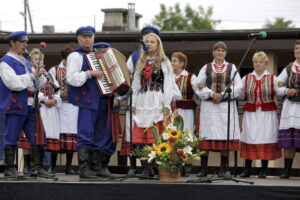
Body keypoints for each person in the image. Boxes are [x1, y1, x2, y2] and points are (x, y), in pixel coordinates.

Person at [0, 31, 54, 178]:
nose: (25, 45)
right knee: (12, 136)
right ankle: (9, 168)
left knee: (37, 135)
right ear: (12, 43)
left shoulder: (24, 61)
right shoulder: (5, 62)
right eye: (22, 42)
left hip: (30, 104)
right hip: (15, 104)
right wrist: (32, 75)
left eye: (26, 42)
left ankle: (38, 167)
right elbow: (14, 84)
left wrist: (41, 73)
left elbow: (36, 84)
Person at [66, 26, 113, 179]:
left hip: (102, 99)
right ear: (78, 39)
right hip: (86, 100)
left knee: (100, 134)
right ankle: (84, 169)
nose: (87, 39)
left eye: (90, 36)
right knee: (85, 134)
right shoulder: (75, 56)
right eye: (84, 37)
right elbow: (71, 79)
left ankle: (97, 167)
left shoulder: (99, 55)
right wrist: (88, 73)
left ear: (94, 37)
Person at [192, 41, 242, 177]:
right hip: (209, 106)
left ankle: (222, 168)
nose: (220, 52)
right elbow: (197, 85)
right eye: (218, 50)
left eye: (223, 50)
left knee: (224, 136)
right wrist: (211, 93)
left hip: (226, 106)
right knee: (206, 135)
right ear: (213, 52)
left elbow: (239, 86)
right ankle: (203, 168)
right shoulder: (206, 67)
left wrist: (223, 94)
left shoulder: (231, 67)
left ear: (226, 53)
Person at [130, 32, 176, 177]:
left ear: (158, 45)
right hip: (143, 100)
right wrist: (133, 103)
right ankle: (146, 168)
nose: (149, 43)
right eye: (147, 41)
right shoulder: (141, 63)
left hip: (157, 100)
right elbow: (136, 85)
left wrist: (166, 105)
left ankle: (157, 168)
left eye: (152, 42)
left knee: (157, 137)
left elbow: (168, 85)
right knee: (142, 138)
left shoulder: (164, 62)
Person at [239, 51, 283, 178]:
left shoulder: (273, 78)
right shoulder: (246, 78)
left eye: (261, 62)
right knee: (249, 136)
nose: (258, 64)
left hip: (267, 114)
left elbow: (280, 93)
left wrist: (283, 87)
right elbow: (241, 94)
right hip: (251, 113)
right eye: (256, 62)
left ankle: (264, 170)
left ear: (266, 64)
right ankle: (247, 169)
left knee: (266, 137)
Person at [47, 45, 78, 175]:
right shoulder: (54, 70)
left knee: (72, 135)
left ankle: (69, 166)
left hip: (73, 107)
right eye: (67, 60)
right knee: (56, 134)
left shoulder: (77, 70)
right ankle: (52, 166)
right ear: (63, 58)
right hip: (59, 107)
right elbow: (49, 86)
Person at [171, 52, 198, 177]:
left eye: (175, 61)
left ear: (182, 63)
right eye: (172, 60)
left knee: (185, 136)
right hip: (171, 112)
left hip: (186, 111)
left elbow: (200, 91)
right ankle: (173, 164)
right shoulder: (168, 77)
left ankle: (184, 164)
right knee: (171, 137)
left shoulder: (190, 77)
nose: (172, 63)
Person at [277, 39, 300, 179]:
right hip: (291, 109)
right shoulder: (289, 68)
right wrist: (286, 91)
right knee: (289, 142)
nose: (298, 50)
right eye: (296, 48)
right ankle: (287, 171)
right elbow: (277, 87)